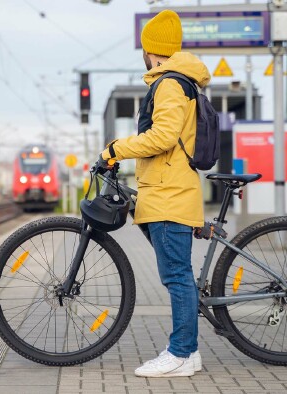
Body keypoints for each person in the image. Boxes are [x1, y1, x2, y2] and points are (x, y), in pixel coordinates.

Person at [96, 10, 211, 378]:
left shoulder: (169, 84)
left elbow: (162, 137)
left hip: (169, 192)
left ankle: (179, 353)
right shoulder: (181, 82)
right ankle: (188, 353)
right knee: (179, 274)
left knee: (177, 276)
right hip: (167, 188)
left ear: (151, 50)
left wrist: (115, 149)